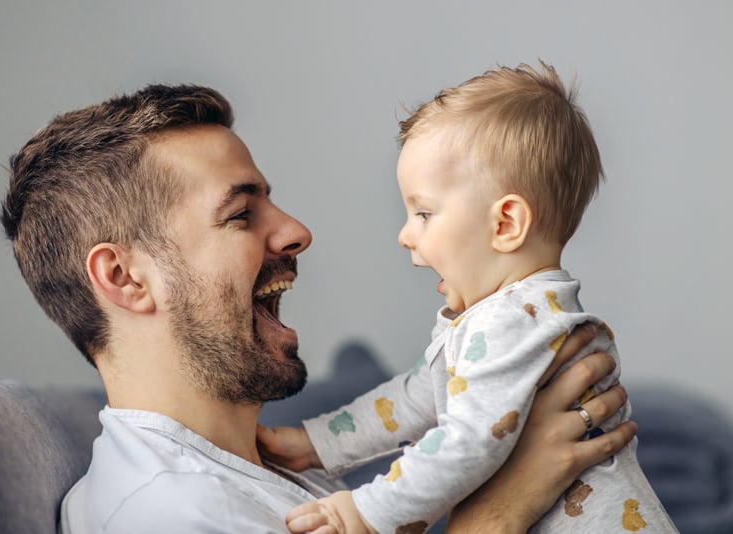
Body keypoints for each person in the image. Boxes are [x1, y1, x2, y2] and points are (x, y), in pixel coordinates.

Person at [0, 83, 635, 533]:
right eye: (241, 213)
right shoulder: (169, 513)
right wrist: (497, 512)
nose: (297, 230)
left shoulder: (260, 474)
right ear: (125, 278)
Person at [258, 62, 676, 533]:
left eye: (423, 213)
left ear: (505, 225)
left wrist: (365, 512)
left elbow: (467, 443)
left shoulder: (514, 321)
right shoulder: (499, 318)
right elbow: (415, 399)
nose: (404, 235)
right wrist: (314, 444)